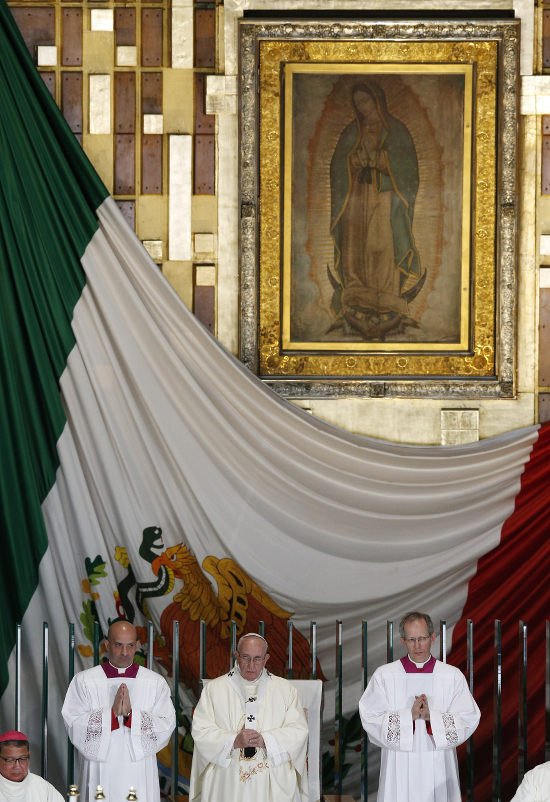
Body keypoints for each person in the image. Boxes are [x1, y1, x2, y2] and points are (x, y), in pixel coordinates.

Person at [329, 81, 423, 341]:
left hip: (385, 198)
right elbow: (339, 165)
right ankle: (357, 290)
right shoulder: (351, 132)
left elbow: (409, 170)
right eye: (357, 103)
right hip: (357, 198)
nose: (361, 107)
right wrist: (355, 161)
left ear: (377, 101)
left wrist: (382, 161)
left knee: (381, 244)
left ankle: (386, 294)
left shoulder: (397, 132)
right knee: (356, 246)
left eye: (365, 101)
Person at [359, 611, 480, 802]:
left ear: (432, 638)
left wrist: (433, 717)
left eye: (422, 638)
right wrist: (409, 716)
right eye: (411, 639)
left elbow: (469, 718)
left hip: (438, 762)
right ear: (402, 641)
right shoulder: (385, 676)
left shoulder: (451, 676)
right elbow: (370, 718)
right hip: (398, 764)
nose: (417, 646)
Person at [62, 620, 175, 802]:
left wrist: (131, 715)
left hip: (138, 770)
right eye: (118, 645)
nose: (125, 652)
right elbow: (73, 724)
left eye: (130, 645)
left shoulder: (154, 682)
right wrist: (110, 715)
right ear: (107, 645)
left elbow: (166, 725)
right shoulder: (84, 681)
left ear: (137, 645)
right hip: (100, 768)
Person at [190, 632, 309, 802]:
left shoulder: (285, 690)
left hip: (272, 782)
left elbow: (299, 731)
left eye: (257, 658)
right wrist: (233, 741)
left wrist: (266, 740)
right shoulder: (214, 689)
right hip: (228, 782)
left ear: (266, 659)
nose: (251, 665)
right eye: (246, 657)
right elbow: (201, 731)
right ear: (236, 656)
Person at [0, 730, 64, 801]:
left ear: (29, 756)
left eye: (23, 759)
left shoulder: (42, 787)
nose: (17, 766)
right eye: (10, 760)